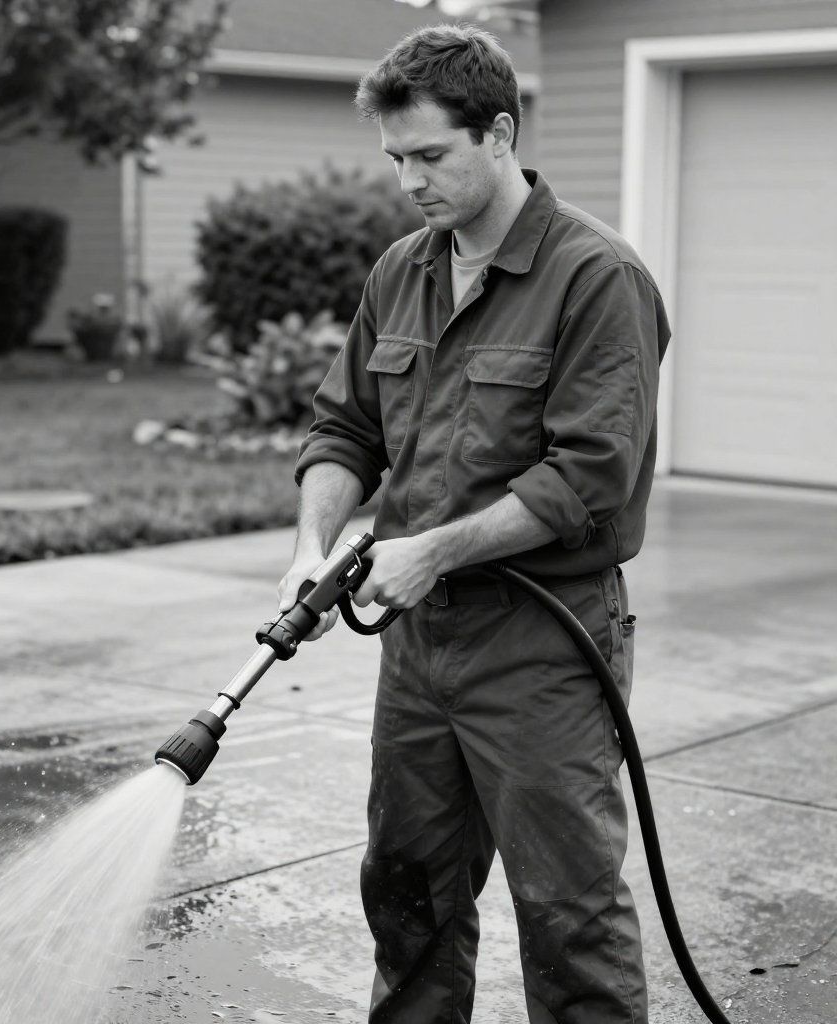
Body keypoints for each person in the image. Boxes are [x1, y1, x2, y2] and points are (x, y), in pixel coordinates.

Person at [277, 24, 670, 1024]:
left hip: (544, 642)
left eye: (430, 155)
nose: (410, 180)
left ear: (498, 133)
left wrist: (435, 549)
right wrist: (312, 551)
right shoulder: (400, 270)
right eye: (396, 159)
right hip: (419, 649)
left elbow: (589, 477)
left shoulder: (595, 278)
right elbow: (343, 430)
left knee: (567, 914)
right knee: (407, 896)